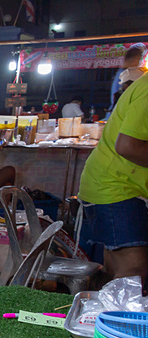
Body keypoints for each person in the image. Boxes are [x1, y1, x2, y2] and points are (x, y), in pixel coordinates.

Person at [78, 72, 148, 288]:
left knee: (116, 271)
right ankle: (107, 320)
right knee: (134, 270)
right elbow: (127, 145)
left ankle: (96, 316)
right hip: (116, 186)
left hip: (125, 186)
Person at [109, 44, 146, 115]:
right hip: (123, 113)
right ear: (131, 59)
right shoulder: (127, 74)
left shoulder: (123, 72)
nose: (138, 63)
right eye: (137, 59)